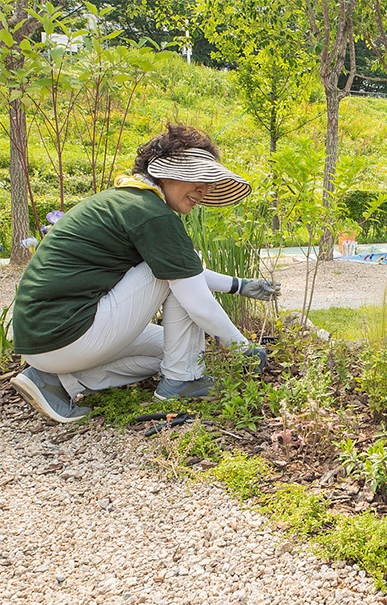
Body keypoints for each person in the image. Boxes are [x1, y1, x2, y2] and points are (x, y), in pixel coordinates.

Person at [11, 124, 276, 424]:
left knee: (175, 351)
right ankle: (180, 383)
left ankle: (56, 383)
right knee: (173, 278)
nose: (203, 190)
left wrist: (240, 285)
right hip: (66, 332)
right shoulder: (152, 214)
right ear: (167, 170)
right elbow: (189, 290)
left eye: (208, 182)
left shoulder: (129, 200)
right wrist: (244, 350)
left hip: (43, 339)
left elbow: (186, 270)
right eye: (198, 178)